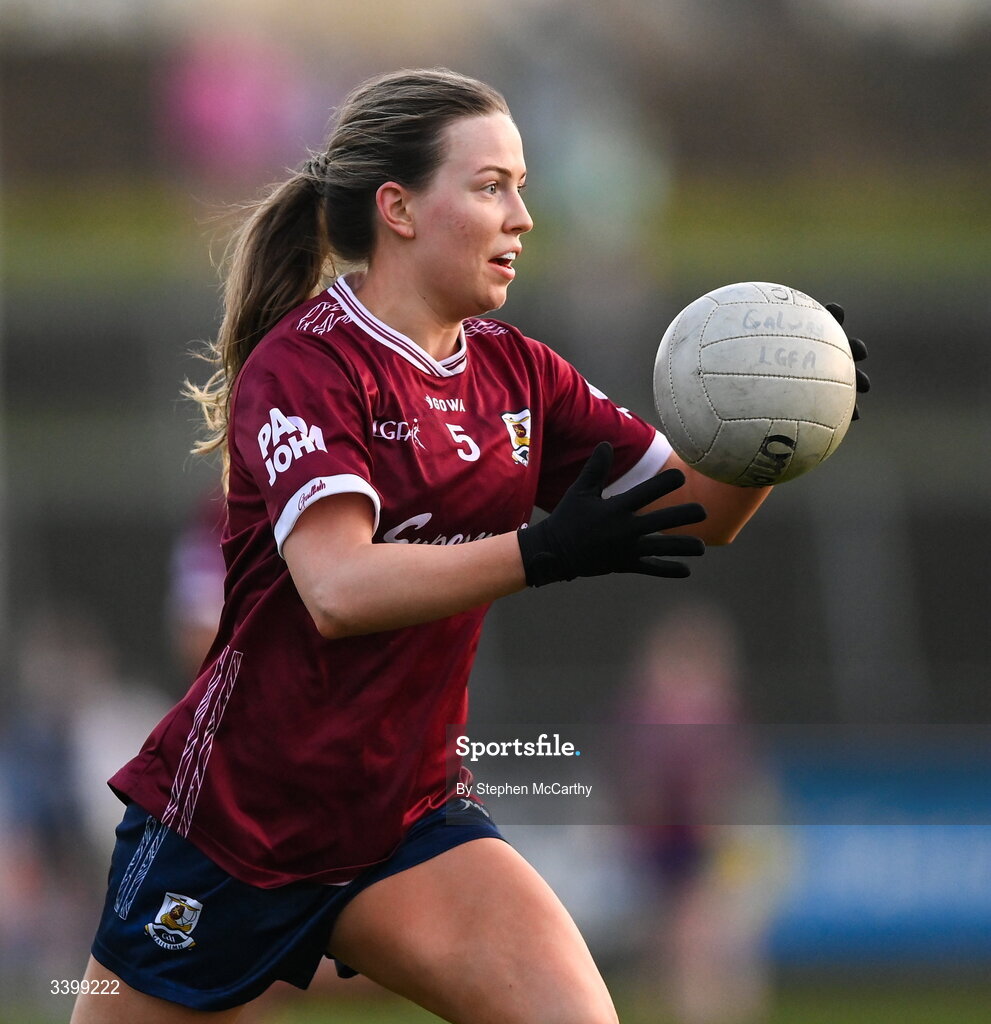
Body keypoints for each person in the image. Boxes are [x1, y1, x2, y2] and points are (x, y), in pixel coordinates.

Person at [71, 68, 868, 1023]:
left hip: (406, 819)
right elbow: (337, 587)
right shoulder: (307, 362)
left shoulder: (516, 371)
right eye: (491, 185)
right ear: (398, 208)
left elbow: (698, 512)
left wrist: (774, 426)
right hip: (232, 829)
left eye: (521, 186)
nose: (523, 216)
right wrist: (540, 551)